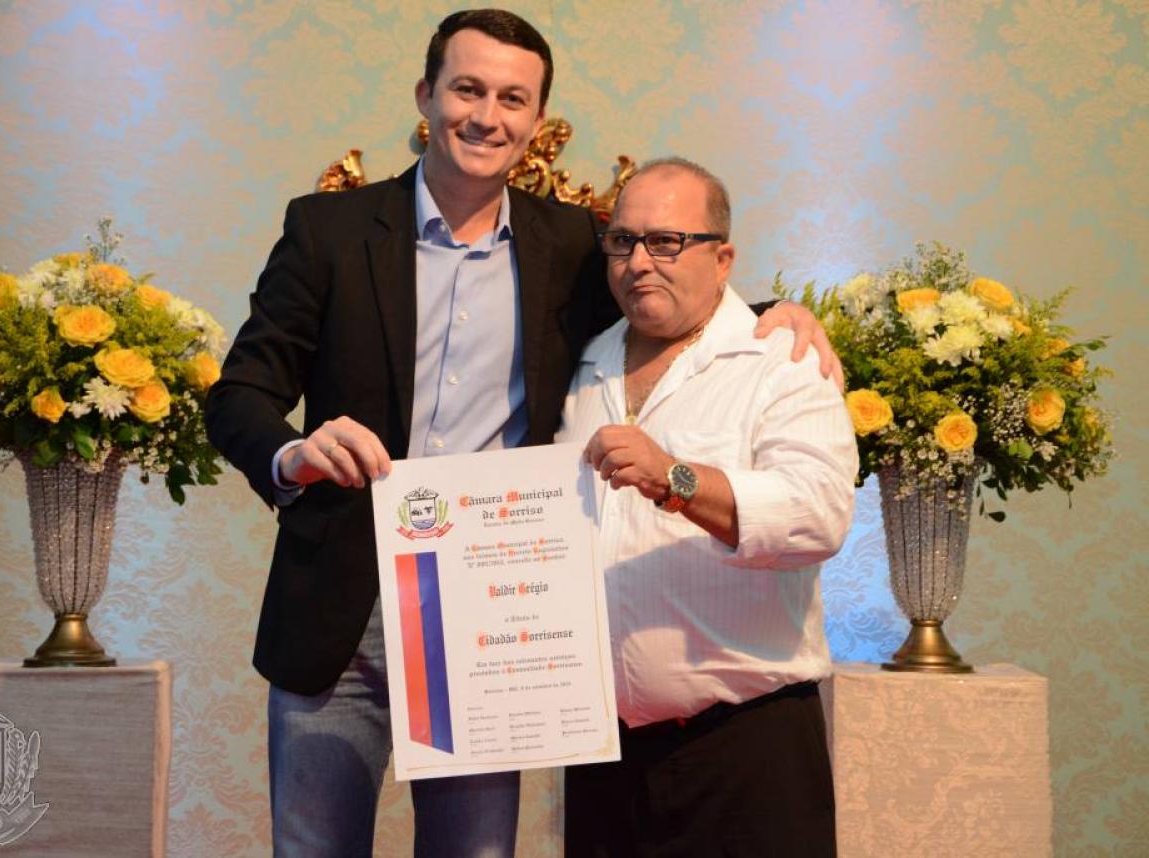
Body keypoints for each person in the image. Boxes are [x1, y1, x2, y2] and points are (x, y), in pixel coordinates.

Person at [205, 10, 839, 858]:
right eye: (467, 89)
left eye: (512, 99)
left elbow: (666, 288)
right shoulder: (330, 231)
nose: (486, 116)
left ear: (538, 121)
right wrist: (293, 453)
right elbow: (239, 393)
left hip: (489, 610)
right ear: (426, 95)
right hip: (339, 610)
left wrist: (775, 311)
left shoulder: (570, 244)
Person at [558, 158, 857, 858]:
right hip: (603, 762)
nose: (639, 262)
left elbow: (819, 515)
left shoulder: (780, 360)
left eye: (666, 241)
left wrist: (676, 478)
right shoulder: (578, 366)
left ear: (723, 259)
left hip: (746, 753)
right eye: (623, 241)